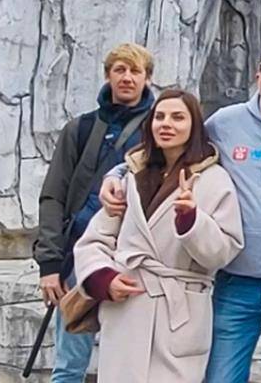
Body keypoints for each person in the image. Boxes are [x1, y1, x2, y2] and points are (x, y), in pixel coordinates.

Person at [101, 41, 261, 383]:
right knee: (220, 376)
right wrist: (117, 174)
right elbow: (171, 150)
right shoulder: (225, 123)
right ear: (258, 76)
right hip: (235, 280)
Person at [73, 89, 244, 383]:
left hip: (178, 311)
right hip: (127, 307)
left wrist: (191, 220)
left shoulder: (215, 180)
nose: (166, 124)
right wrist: (104, 278)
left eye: (178, 117)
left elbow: (224, 250)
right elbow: (95, 240)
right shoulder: (131, 176)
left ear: (194, 125)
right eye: (160, 117)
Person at [34, 42, 155, 383]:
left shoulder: (159, 129)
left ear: (147, 78)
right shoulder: (81, 129)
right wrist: (50, 264)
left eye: (135, 71)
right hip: (80, 257)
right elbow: (53, 196)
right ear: (107, 75)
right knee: (70, 364)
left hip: (135, 257)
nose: (127, 78)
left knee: (132, 364)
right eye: (120, 70)